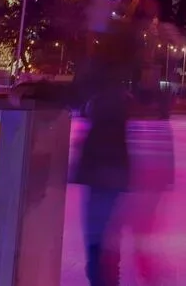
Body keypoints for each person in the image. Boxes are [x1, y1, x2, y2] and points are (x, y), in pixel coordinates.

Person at [71, 66, 132, 285]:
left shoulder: (106, 101)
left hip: (103, 176)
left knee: (99, 242)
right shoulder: (114, 98)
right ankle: (104, 278)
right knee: (105, 241)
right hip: (109, 176)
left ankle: (102, 280)